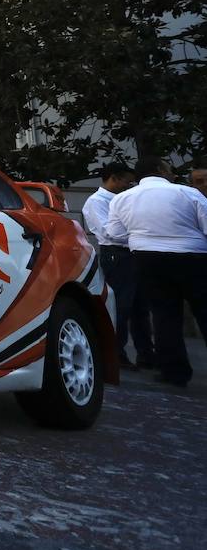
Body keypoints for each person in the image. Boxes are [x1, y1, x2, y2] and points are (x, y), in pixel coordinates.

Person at [105, 159, 207, 387]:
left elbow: (113, 234)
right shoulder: (187, 193)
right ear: (161, 171)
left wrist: (141, 235)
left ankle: (174, 371)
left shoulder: (121, 199)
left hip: (147, 256)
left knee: (164, 314)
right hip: (192, 255)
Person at [83, 162, 151, 369]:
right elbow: (108, 233)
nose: (128, 186)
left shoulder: (123, 199)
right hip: (117, 255)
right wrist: (139, 233)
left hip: (132, 253)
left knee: (140, 306)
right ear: (114, 178)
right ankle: (116, 352)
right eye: (126, 182)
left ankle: (146, 353)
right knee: (122, 305)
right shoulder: (96, 202)